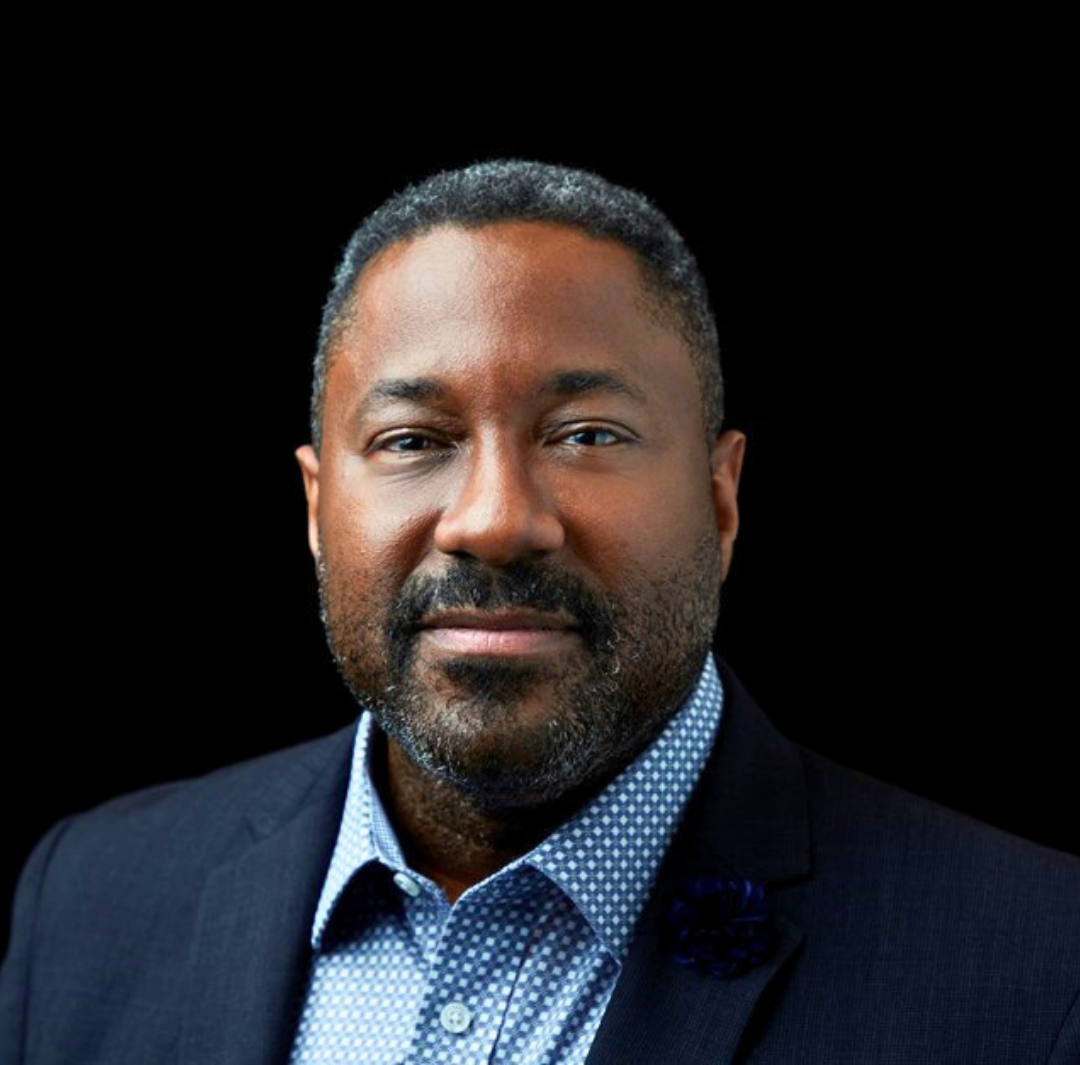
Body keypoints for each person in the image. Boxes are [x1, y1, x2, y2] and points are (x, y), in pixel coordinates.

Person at [1, 159, 1077, 1065]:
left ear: (721, 501)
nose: (496, 520)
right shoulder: (91, 904)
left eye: (587, 435)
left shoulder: (1036, 965)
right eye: (414, 440)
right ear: (319, 509)